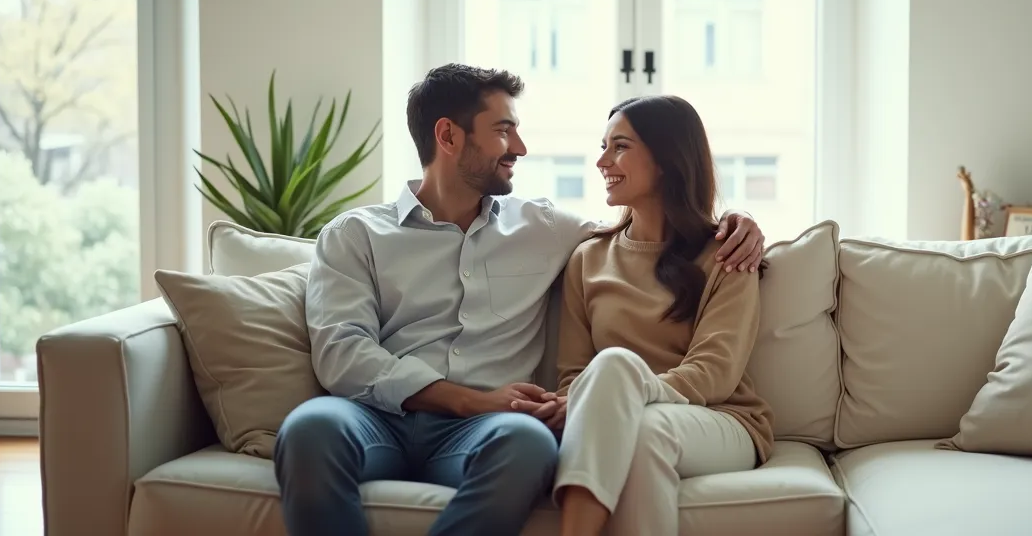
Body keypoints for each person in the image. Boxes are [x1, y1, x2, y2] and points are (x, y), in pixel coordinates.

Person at [272, 63, 766, 536]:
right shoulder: (355, 234)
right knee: (308, 429)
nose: (521, 148)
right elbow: (342, 351)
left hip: (486, 434)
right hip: (375, 418)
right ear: (448, 136)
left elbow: (645, 236)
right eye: (504, 130)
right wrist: (468, 399)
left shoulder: (548, 229)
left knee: (528, 446)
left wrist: (739, 220)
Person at [542, 95, 774, 536]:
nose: (601, 161)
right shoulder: (588, 259)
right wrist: (604, 397)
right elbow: (573, 377)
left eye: (620, 146)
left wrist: (625, 388)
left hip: (724, 420)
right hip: (640, 419)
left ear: (667, 160)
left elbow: (715, 374)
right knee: (644, 432)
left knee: (616, 368)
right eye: (603, 145)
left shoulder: (727, 253)